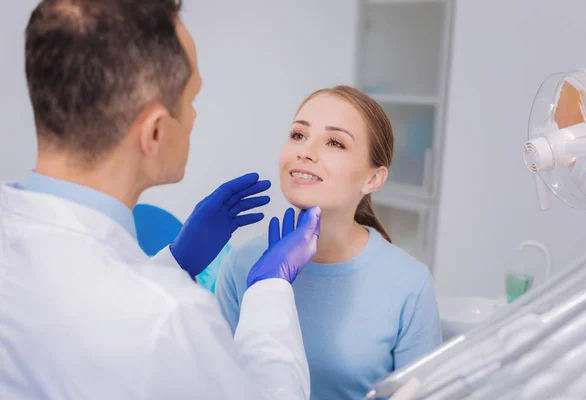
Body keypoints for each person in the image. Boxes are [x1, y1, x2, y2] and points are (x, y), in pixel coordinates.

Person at [0, 1, 321, 399]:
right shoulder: (168, 320)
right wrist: (269, 289)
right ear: (154, 132)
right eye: (190, 99)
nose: (194, 116)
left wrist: (174, 261)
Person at [216, 86, 443, 399]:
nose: (305, 151)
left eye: (335, 142)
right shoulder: (243, 264)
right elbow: (220, 386)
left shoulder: (410, 285)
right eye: (298, 134)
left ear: (373, 179)